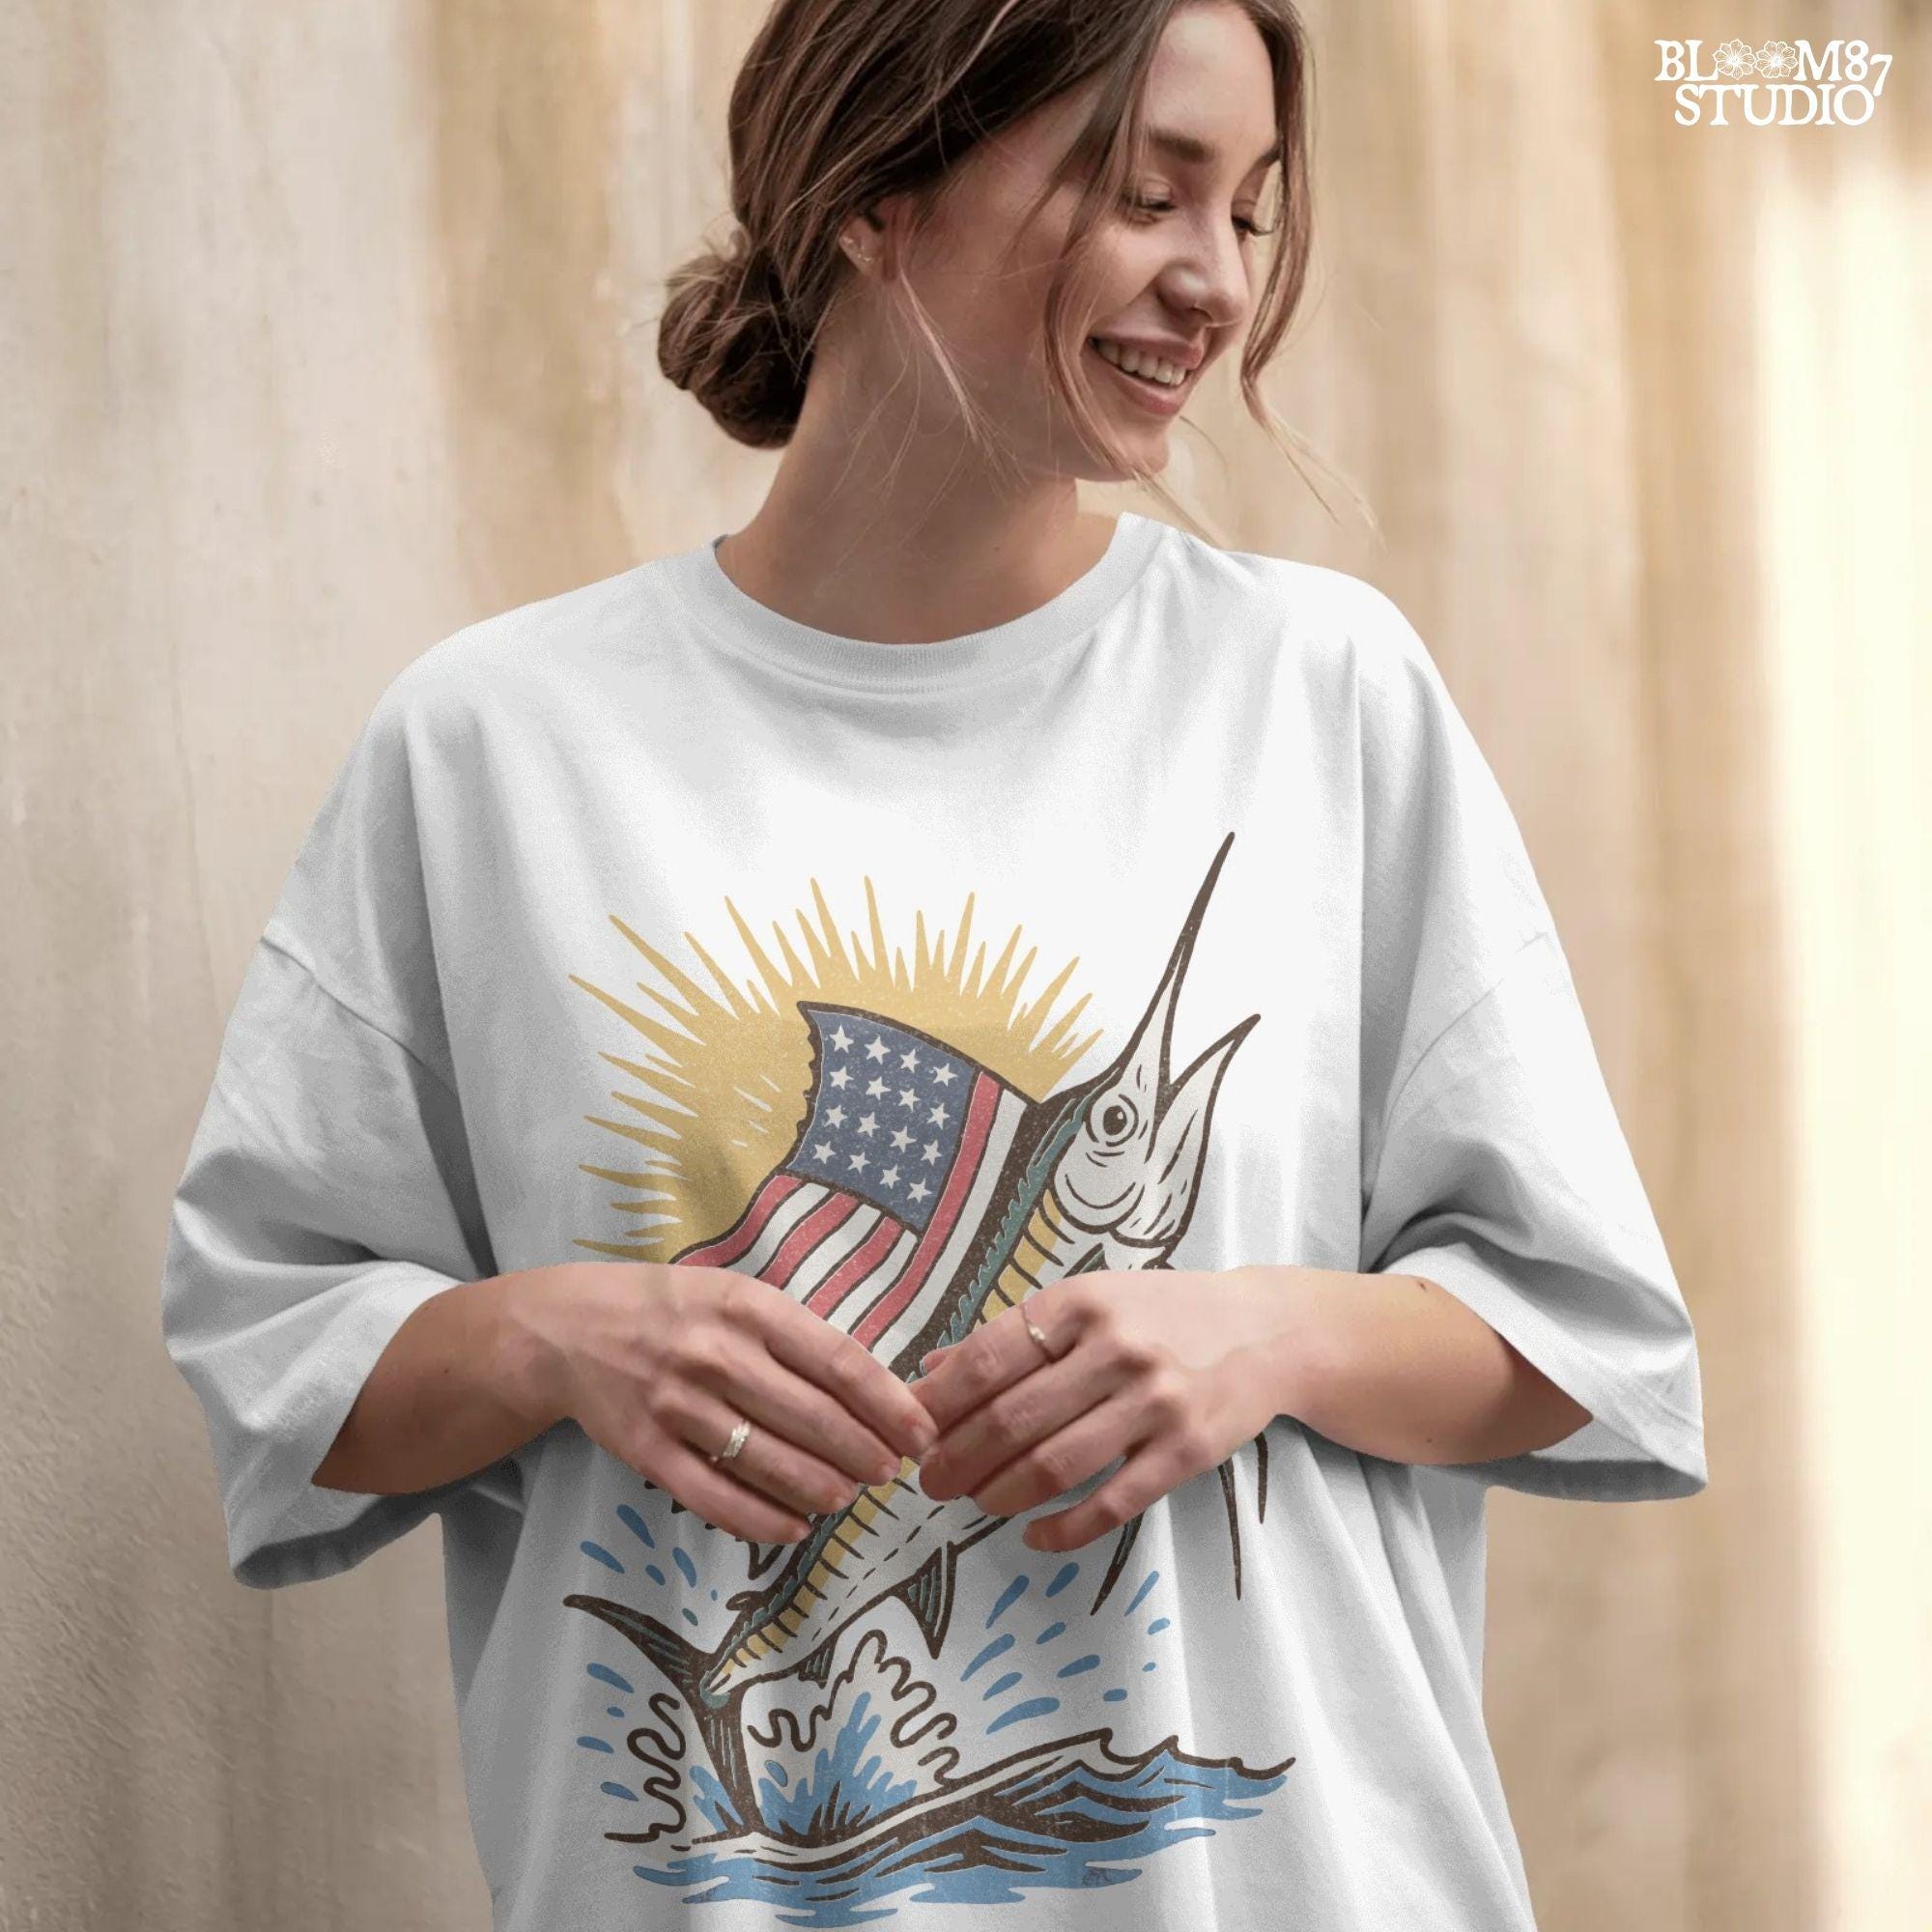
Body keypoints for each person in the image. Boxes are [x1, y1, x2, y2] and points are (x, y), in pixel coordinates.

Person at [158, 1, 1708, 1926]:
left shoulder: (1323, 693)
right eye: (1144, 192)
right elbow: (277, 1361)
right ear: (877, 189)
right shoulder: (493, 746)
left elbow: (1581, 1339)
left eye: (1246, 210)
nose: (1217, 282)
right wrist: (558, 1337)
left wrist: (1267, 1334)